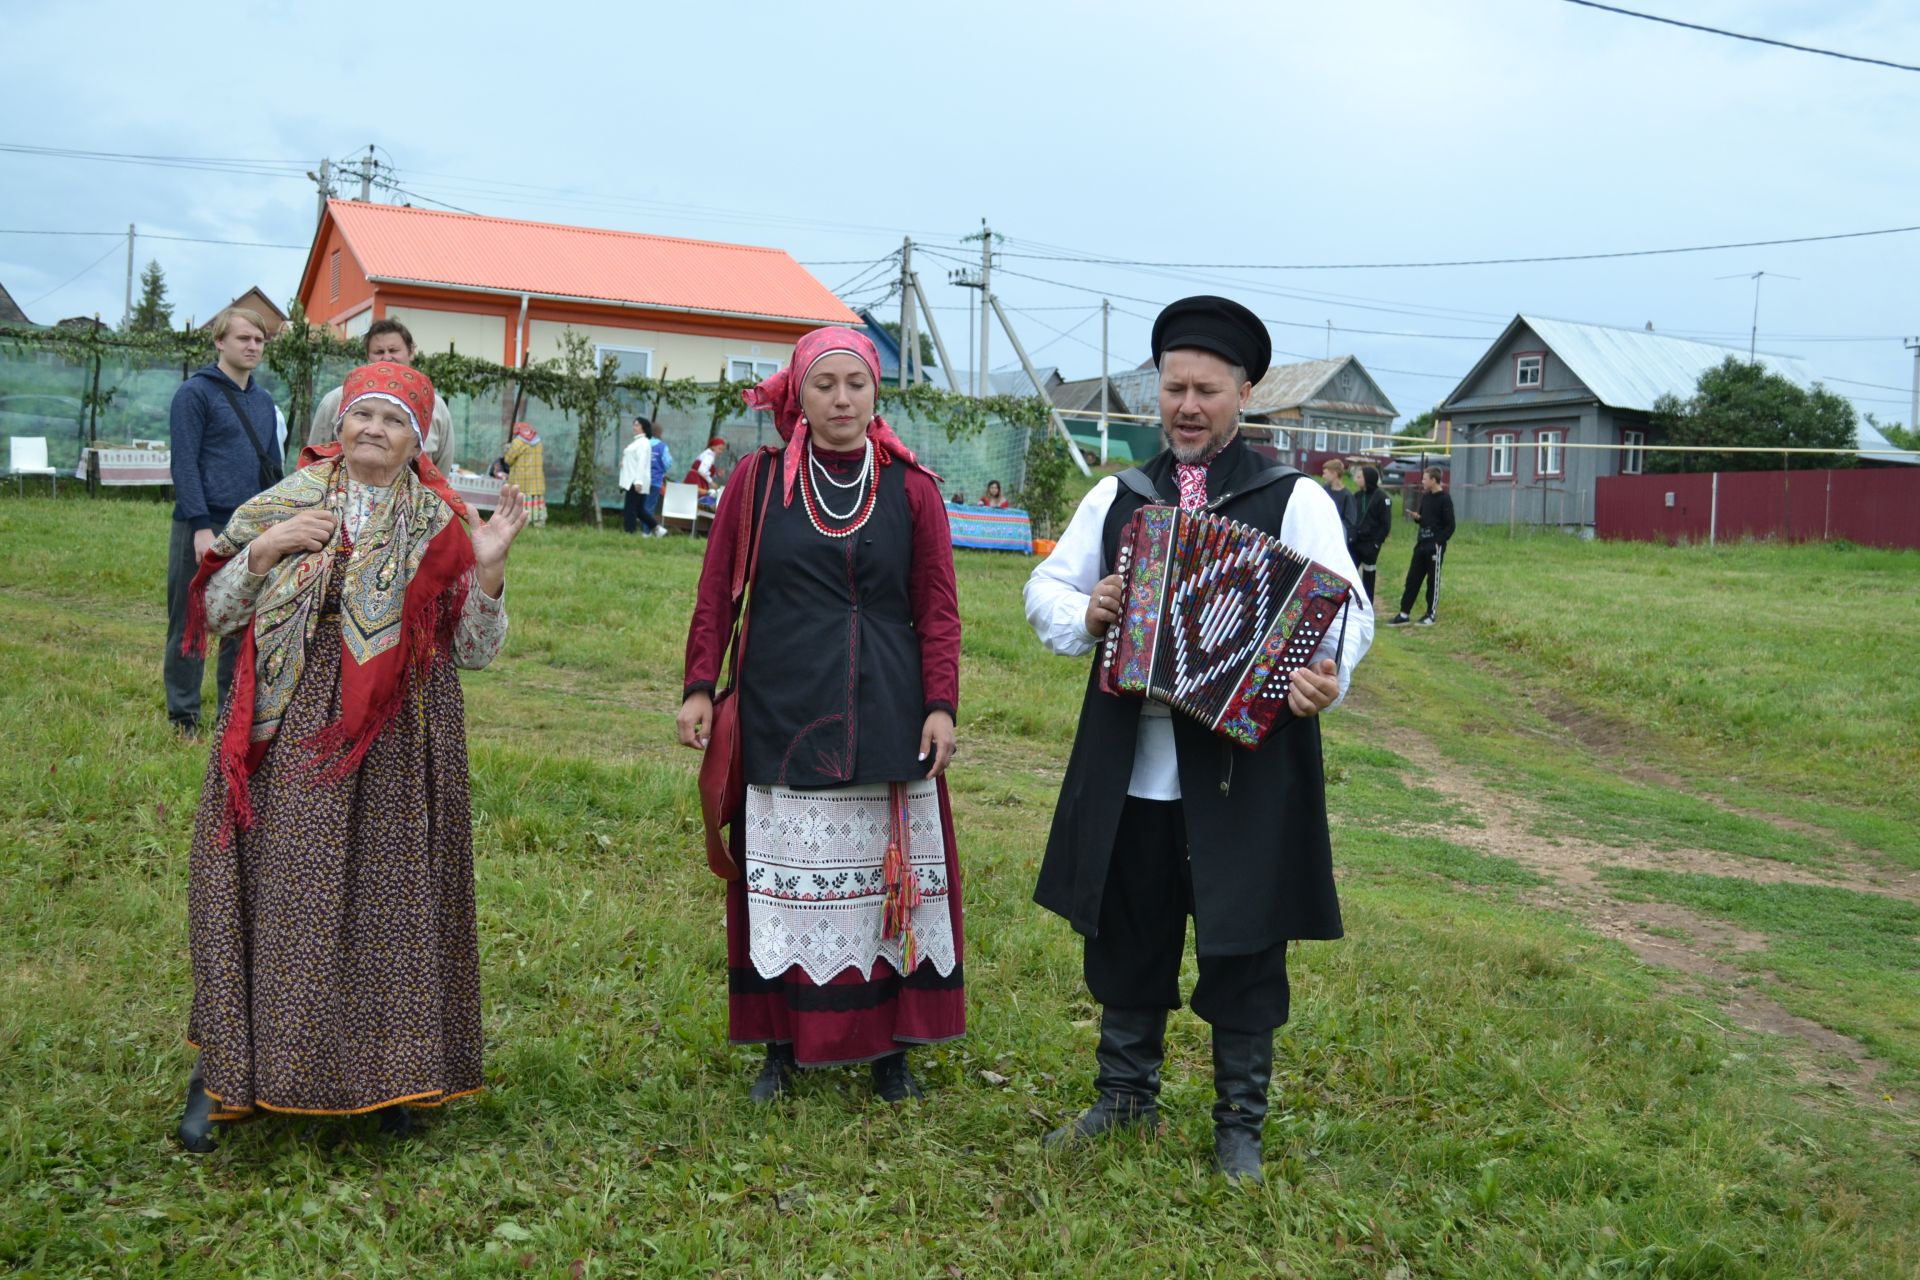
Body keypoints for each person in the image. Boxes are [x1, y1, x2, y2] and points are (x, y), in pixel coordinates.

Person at [1024, 296, 1372, 1184]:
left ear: (1243, 394)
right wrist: (1089, 608)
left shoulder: (1292, 499)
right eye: (1173, 388)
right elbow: (1046, 592)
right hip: (1132, 766)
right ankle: (1124, 1098)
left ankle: (1238, 1127)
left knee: (1245, 941)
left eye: (1206, 390)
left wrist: (1321, 671)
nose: (1186, 406)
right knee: (1128, 933)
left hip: (1245, 771)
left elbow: (1344, 610)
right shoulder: (1119, 494)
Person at [173, 362, 530, 1153]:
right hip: (289, 718)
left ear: (419, 439)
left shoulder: (442, 519)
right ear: (339, 425)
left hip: (400, 736)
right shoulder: (284, 503)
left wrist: (492, 566)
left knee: (387, 900)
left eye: (393, 421)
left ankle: (386, 1078)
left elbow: (474, 651)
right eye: (362, 416)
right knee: (280, 888)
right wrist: (262, 550)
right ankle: (228, 1071)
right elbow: (217, 609)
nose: (374, 430)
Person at [679, 327, 963, 1105]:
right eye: (825, 385)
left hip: (890, 712)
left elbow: (938, 609)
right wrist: (699, 685)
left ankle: (889, 1051)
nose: (842, 399)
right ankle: (782, 1044)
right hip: (782, 707)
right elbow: (716, 594)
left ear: (877, 396)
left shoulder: (913, 489)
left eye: (856, 385)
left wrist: (941, 705)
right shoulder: (758, 481)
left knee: (884, 887)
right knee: (785, 885)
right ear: (798, 395)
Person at [165, 306, 289, 736]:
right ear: (220, 342)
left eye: (259, 340)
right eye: (244, 339)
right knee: (191, 620)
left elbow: (272, 467)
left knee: (240, 622)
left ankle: (229, 716)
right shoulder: (194, 395)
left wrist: (274, 525)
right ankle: (183, 716)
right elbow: (184, 464)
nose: (253, 346)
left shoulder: (263, 401)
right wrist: (200, 526)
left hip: (249, 528)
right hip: (202, 523)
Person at [306, 319, 458, 475]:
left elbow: (441, 472)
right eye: (379, 352)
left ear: (411, 352)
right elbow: (315, 463)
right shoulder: (336, 400)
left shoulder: (434, 408)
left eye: (393, 350)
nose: (386, 358)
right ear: (367, 356)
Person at [1389, 466, 1455, 627]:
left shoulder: (1445, 499)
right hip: (1421, 545)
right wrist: (1417, 518)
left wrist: (1438, 542)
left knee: (1432, 581)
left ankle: (1430, 614)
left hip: (1435, 547)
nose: (1422, 482)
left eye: (1425, 479)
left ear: (1434, 480)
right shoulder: (1426, 498)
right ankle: (1404, 614)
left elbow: (1450, 526)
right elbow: (1425, 519)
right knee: (1412, 579)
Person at [1346, 463, 1392, 607]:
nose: (1356, 479)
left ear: (1368, 479)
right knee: (1349, 573)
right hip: (1355, 542)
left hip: (1371, 544)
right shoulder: (1357, 496)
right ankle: (1349, 603)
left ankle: (1367, 606)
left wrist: (1376, 543)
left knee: (1369, 576)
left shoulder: (1381, 497)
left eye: (1360, 477)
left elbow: (1385, 524)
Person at [503, 422, 547, 526]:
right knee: (535, 500)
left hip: (522, 480)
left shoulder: (518, 442)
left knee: (522, 499)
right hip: (537, 480)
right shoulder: (538, 441)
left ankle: (523, 522)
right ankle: (538, 522)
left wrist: (507, 449)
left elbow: (508, 460)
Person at [620, 416, 654, 535]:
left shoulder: (643, 443)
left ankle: (630, 532)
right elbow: (633, 458)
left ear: (643, 427)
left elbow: (642, 462)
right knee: (639, 509)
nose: (634, 427)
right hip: (631, 478)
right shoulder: (637, 442)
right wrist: (624, 462)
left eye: (637, 425)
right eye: (634, 425)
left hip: (635, 480)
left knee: (630, 508)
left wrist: (638, 481)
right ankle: (658, 529)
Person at [1319, 457, 1351, 527]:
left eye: (1325, 473)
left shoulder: (1347, 495)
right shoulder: (1324, 490)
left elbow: (1349, 521)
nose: (1323, 476)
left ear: (1334, 474)